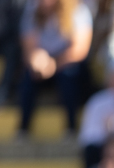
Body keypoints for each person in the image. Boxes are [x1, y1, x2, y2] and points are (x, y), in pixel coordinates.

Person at [18, 0, 93, 136]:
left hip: (69, 65)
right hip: (43, 64)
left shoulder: (79, 11)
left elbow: (80, 50)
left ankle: (71, 127)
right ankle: (23, 128)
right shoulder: (31, 11)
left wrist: (55, 64)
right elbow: (28, 48)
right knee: (28, 78)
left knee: (68, 76)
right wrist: (36, 60)